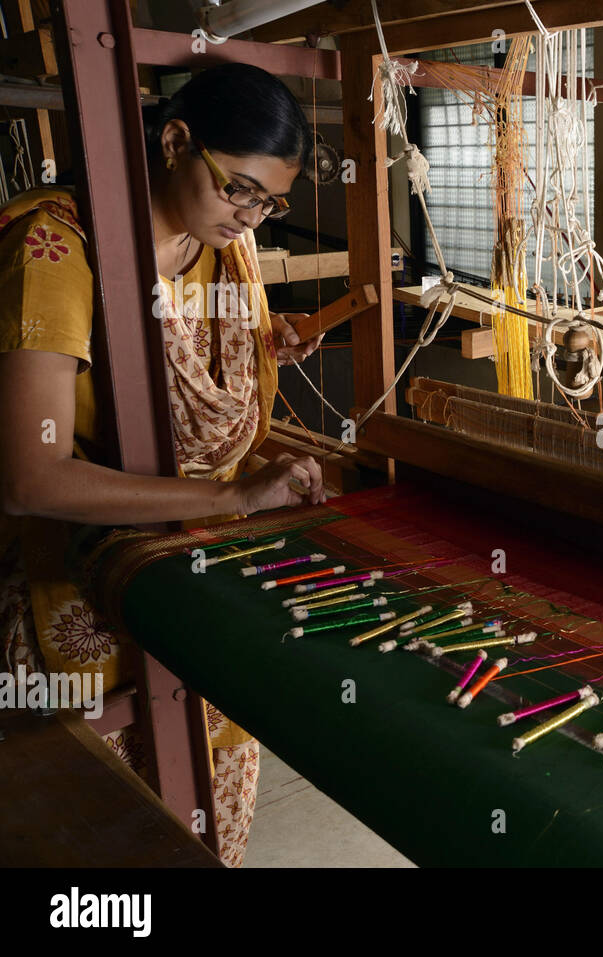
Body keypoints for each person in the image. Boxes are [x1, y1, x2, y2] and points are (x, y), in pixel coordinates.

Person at [0, 62, 329, 867]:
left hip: (197, 576)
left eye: (270, 203)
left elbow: (199, 394)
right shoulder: (56, 250)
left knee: (200, 817)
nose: (251, 219)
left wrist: (261, 347)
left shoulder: (220, 251)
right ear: (176, 141)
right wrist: (230, 496)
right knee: (102, 843)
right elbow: (29, 479)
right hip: (73, 584)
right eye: (240, 189)